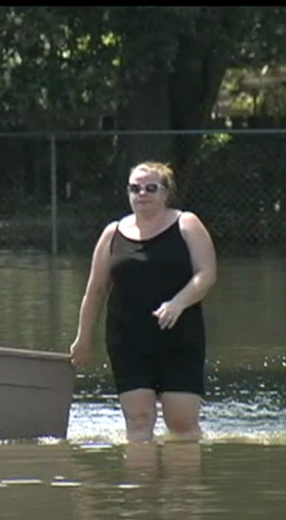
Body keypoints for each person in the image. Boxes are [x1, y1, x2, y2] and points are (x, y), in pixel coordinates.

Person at [70, 161, 216, 443]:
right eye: (135, 188)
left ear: (166, 193)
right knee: (138, 421)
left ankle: (182, 488)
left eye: (151, 188)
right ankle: (141, 487)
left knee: (182, 424)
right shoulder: (112, 233)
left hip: (179, 337)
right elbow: (96, 291)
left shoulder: (187, 224)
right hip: (128, 339)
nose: (142, 194)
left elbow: (206, 274)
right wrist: (83, 338)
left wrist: (178, 303)